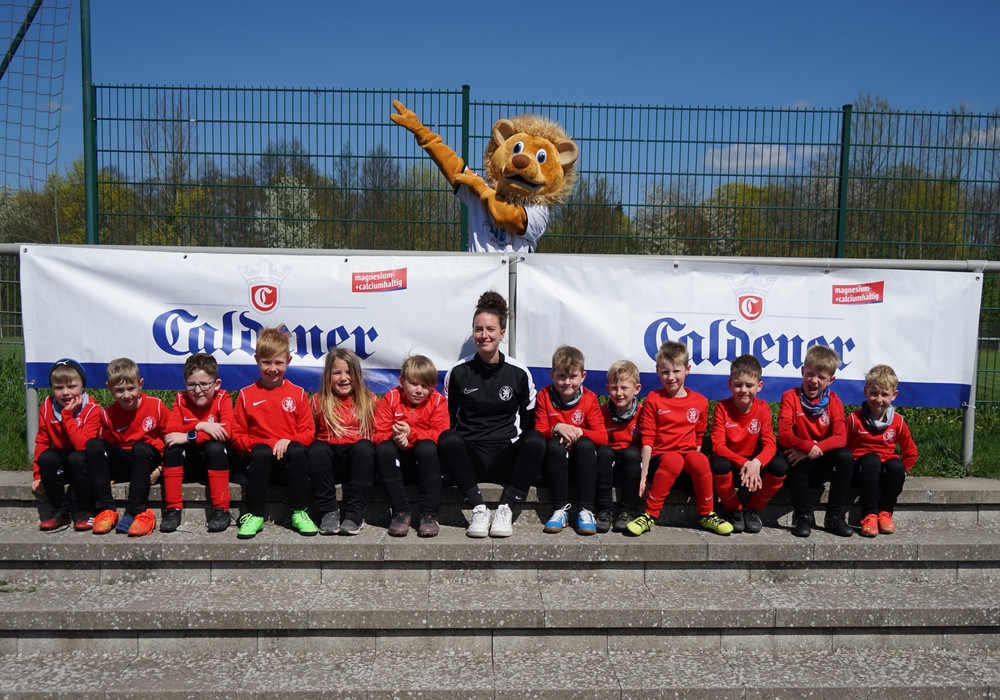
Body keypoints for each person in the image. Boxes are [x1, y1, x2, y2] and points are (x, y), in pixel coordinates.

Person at [438, 290, 545, 538]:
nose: (484, 335)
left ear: (502, 333)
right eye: (478, 329)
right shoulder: (458, 372)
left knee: (536, 440)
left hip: (505, 457)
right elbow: (449, 418)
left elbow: (529, 420)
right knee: (447, 438)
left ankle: (506, 507)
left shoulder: (519, 372)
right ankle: (478, 507)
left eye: (490, 329)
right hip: (470, 459)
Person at [625, 341, 733, 537]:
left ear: (687, 369)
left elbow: (698, 440)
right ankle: (649, 515)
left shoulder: (700, 402)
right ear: (657, 371)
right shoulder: (653, 399)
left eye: (676, 371)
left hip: (685, 462)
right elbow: (647, 440)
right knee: (673, 459)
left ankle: (707, 514)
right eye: (665, 372)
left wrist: (694, 469)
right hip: (661, 460)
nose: (671, 377)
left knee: (699, 459)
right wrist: (644, 477)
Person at [231, 328, 315, 539]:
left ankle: (299, 512)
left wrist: (288, 440)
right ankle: (255, 514)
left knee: (297, 450)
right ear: (256, 360)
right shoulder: (246, 394)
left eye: (278, 362)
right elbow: (237, 436)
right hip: (259, 463)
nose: (272, 368)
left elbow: (308, 433)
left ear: (288, 360)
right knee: (261, 452)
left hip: (288, 465)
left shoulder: (298, 393)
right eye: (266, 362)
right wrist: (267, 443)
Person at [84, 357, 168, 537]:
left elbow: (171, 441)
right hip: (125, 460)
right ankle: (106, 510)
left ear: (140, 384)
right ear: (109, 388)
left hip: (149, 461)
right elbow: (107, 449)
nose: (127, 395)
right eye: (120, 390)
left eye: (131, 388)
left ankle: (135, 511)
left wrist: (161, 470)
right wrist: (108, 473)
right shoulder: (107, 414)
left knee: (141, 448)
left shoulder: (156, 406)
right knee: (93, 445)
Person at [779, 344, 854, 538]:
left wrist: (813, 448)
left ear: (831, 380)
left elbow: (841, 437)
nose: (814, 380)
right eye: (810, 374)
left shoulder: (834, 401)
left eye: (821, 377)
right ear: (802, 371)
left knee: (845, 456)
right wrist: (806, 447)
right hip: (798, 462)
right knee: (793, 456)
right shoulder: (790, 397)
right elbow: (784, 434)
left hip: (819, 459)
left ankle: (834, 516)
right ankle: (803, 515)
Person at [709, 354, 788, 534]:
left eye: (749, 385)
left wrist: (756, 463)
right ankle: (734, 509)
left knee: (780, 466)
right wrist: (745, 463)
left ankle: (752, 510)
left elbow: (770, 444)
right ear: (730, 384)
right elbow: (717, 446)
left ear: (759, 386)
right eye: (738, 385)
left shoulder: (763, 408)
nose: (743, 390)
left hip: (754, 471)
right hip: (735, 466)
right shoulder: (721, 407)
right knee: (718, 464)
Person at [373, 354, 448, 537]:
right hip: (397, 465)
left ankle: (429, 514)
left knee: (427, 447)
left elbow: (441, 434)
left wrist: (411, 434)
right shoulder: (391, 398)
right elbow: (377, 433)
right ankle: (400, 512)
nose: (419, 390)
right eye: (414, 384)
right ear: (401, 381)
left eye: (425, 386)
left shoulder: (438, 401)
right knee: (384, 449)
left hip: (426, 465)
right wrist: (395, 437)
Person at [535, 345, 607, 535]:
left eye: (573, 376)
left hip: (582, 464)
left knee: (585, 444)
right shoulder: (544, 396)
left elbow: (602, 436)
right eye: (561, 376)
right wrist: (556, 428)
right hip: (554, 464)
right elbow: (539, 431)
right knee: (555, 445)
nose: (567, 382)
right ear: (552, 375)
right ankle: (560, 510)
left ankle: (586, 510)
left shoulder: (590, 398)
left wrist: (578, 431)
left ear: (583, 376)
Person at [161, 353, 234, 533]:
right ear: (185, 383)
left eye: (204, 384)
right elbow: (171, 430)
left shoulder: (223, 398)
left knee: (215, 446)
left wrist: (189, 437)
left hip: (218, 460)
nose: (198, 390)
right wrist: (201, 425)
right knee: (172, 449)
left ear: (217, 384)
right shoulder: (181, 399)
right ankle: (172, 509)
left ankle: (221, 510)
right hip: (192, 462)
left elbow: (226, 432)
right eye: (191, 384)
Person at [307, 348, 377, 536]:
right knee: (316, 448)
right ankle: (328, 512)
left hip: (358, 465)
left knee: (365, 447)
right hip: (329, 465)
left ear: (357, 375)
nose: (344, 378)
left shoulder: (370, 401)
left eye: (349, 372)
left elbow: (380, 433)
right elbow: (308, 434)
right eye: (337, 373)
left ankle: (354, 515)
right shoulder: (318, 401)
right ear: (328, 376)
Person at [846, 364, 918, 537]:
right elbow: (842, 447)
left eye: (885, 394)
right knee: (871, 460)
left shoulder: (898, 422)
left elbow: (911, 452)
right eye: (874, 393)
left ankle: (885, 513)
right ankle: (870, 515)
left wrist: (902, 472)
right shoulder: (854, 418)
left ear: (894, 395)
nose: (878, 399)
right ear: (865, 392)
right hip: (861, 472)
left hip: (883, 474)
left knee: (896, 466)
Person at [32, 359, 103, 531]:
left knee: (76, 458)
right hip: (63, 462)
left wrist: (67, 415)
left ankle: (86, 511)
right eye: (58, 388)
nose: (65, 392)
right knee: (47, 458)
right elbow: (42, 440)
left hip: (85, 464)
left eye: (72, 386)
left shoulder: (92, 409)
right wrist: (37, 475)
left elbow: (81, 446)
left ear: (82, 386)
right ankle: (60, 511)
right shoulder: (48, 406)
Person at [596, 360, 643, 533]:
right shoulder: (601, 412)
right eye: (614, 388)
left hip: (632, 464)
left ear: (636, 389)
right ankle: (604, 510)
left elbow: (648, 444)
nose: (619, 393)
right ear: (608, 389)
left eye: (624, 388)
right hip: (609, 462)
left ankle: (628, 511)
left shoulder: (643, 413)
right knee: (604, 452)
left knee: (632, 453)